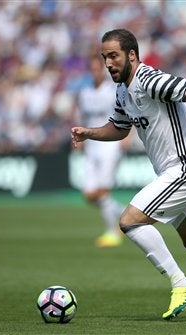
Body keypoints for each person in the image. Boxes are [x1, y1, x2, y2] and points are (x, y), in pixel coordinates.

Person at [71, 28, 186, 320]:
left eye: (113, 56)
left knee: (130, 221)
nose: (108, 63)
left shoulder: (149, 79)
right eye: (104, 57)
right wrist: (90, 133)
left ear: (131, 55)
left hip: (185, 168)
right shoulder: (123, 90)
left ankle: (180, 283)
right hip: (182, 171)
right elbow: (120, 127)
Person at [76, 55, 126, 248]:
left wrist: (127, 137)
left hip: (110, 144)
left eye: (98, 68)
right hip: (92, 145)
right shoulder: (85, 92)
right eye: (93, 69)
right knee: (89, 194)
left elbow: (126, 113)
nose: (95, 72)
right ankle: (125, 215)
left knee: (103, 190)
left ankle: (112, 232)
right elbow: (82, 115)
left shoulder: (113, 90)